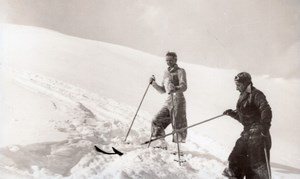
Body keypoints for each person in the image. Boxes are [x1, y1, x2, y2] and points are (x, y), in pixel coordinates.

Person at [222, 72, 272, 179]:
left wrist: (264, 127)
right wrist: (232, 114)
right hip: (248, 133)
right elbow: (245, 120)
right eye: (236, 85)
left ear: (246, 84)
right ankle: (235, 174)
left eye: (238, 85)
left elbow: (266, 109)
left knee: (255, 166)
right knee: (236, 157)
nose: (237, 88)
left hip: (258, 135)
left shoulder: (256, 94)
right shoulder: (243, 96)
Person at [149, 52, 187, 149]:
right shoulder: (166, 72)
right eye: (167, 60)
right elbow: (163, 90)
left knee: (177, 125)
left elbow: (184, 86)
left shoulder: (180, 71)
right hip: (169, 101)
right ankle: (162, 143)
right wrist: (153, 83)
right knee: (156, 119)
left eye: (170, 60)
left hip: (178, 100)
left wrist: (175, 88)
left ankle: (178, 149)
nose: (168, 62)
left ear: (175, 60)